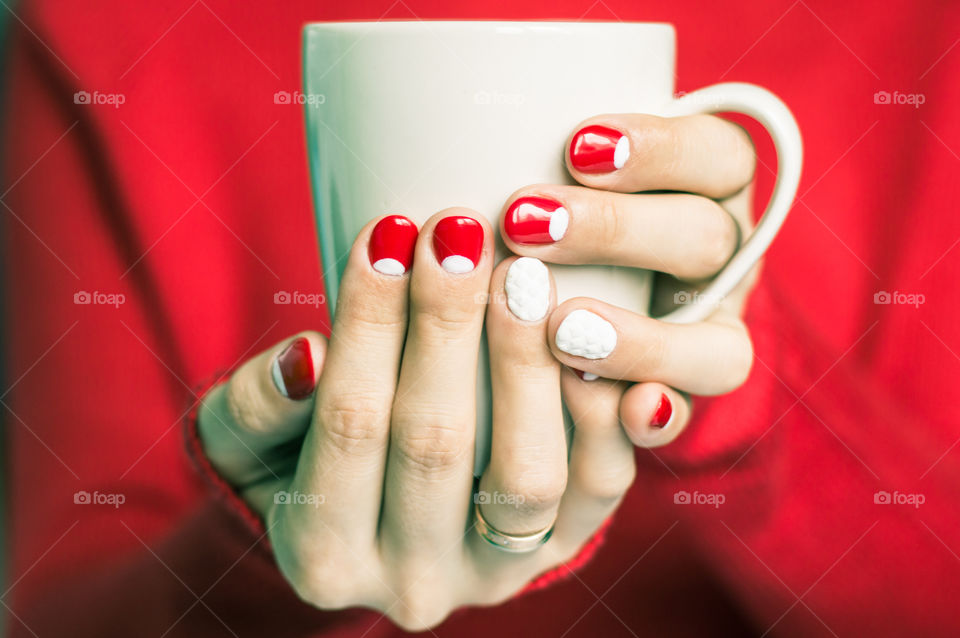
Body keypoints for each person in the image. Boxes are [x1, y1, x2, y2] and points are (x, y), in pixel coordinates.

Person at [2, 1, 958, 637]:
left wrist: (729, 396)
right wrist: (256, 560)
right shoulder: (107, 29)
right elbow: (53, 611)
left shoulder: (919, 32)